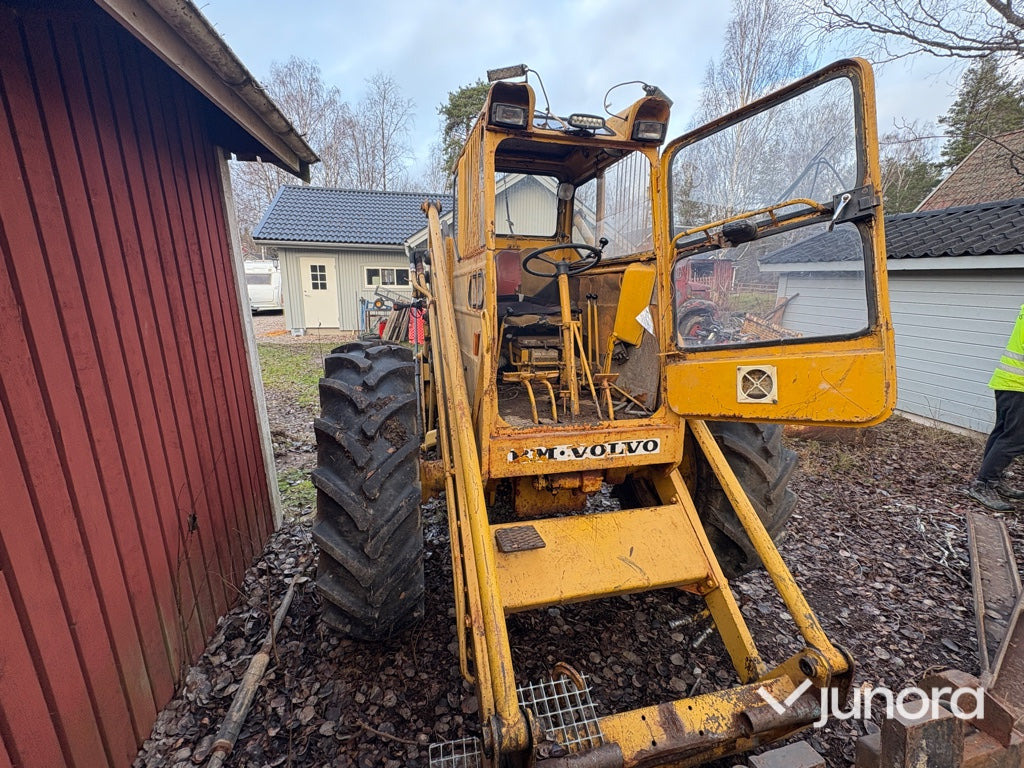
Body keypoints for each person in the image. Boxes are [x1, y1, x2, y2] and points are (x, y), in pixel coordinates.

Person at [968, 304, 1024, 512]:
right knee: (1016, 439)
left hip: (1008, 383)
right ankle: (983, 484)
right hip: (1018, 386)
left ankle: (992, 480)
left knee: (1002, 433)